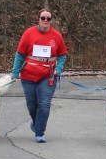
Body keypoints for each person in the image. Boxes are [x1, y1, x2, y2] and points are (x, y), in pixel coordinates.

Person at [11, 9, 67, 143]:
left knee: (44, 104)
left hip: (48, 76)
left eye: (48, 18)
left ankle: (40, 133)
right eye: (43, 18)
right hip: (28, 76)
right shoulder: (28, 33)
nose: (45, 20)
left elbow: (62, 56)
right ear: (39, 19)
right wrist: (15, 72)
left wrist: (58, 69)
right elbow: (20, 54)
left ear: (51, 20)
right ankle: (36, 123)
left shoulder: (57, 36)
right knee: (32, 105)